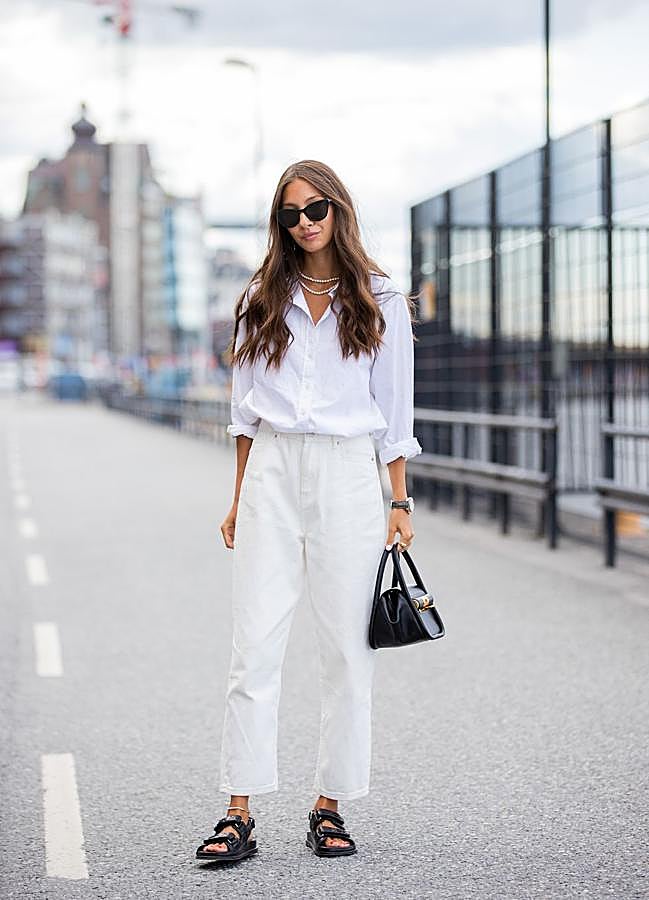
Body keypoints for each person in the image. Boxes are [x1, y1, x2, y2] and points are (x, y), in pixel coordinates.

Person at [195, 159, 422, 863]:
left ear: (338, 210)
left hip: (350, 471)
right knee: (253, 645)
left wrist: (399, 500)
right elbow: (241, 415)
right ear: (279, 224)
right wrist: (238, 499)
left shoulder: (380, 296)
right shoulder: (260, 296)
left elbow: (394, 411)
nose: (304, 223)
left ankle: (329, 804)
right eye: (290, 214)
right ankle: (239, 808)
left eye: (315, 208)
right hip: (271, 468)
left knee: (348, 651)